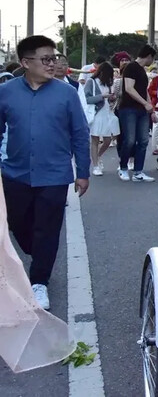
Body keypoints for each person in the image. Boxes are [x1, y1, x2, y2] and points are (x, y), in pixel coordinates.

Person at [0, 35, 90, 310]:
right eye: (46, 59)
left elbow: (79, 133)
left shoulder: (67, 93)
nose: (53, 64)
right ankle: (39, 255)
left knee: (47, 229)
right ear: (26, 63)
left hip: (54, 174)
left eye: (55, 58)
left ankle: (39, 281)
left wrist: (83, 172)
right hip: (14, 173)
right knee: (18, 225)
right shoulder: (6, 92)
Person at [0, 179, 75, 372]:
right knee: (16, 224)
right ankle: (40, 255)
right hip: (14, 169)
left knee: (43, 230)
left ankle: (39, 277)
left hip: (49, 170)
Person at [118, 44, 158, 182]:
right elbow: (129, 88)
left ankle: (138, 172)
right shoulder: (131, 67)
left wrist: (150, 108)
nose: (152, 62)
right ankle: (123, 168)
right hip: (128, 108)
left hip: (142, 110)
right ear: (149, 56)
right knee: (129, 140)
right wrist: (145, 103)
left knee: (143, 140)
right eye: (153, 58)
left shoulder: (142, 71)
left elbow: (144, 90)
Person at [84, 62, 121, 176]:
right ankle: (95, 166)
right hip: (96, 113)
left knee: (108, 140)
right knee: (95, 140)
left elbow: (109, 100)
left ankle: (97, 157)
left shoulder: (108, 84)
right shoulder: (91, 82)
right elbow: (86, 99)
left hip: (108, 112)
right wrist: (102, 97)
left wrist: (112, 98)